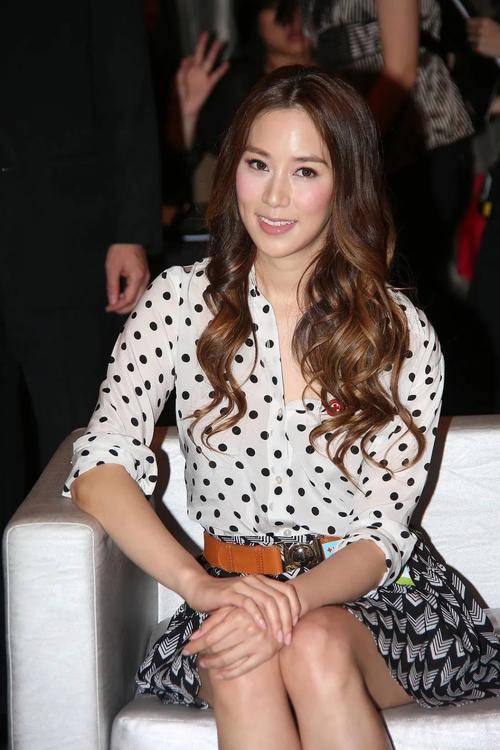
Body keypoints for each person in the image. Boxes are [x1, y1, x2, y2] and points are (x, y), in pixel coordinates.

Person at [64, 67, 500, 749]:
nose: (274, 195)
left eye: (305, 172)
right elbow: (99, 465)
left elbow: (382, 533)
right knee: (244, 657)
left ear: (345, 184)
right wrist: (201, 588)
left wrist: (291, 600)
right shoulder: (178, 302)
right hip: (227, 587)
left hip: (378, 600)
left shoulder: (397, 330)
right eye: (258, 164)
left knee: (312, 644)